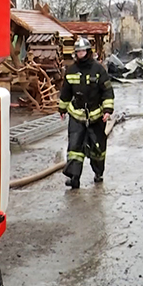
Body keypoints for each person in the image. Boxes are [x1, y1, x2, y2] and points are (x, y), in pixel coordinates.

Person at [58, 37, 114, 189]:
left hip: (96, 116)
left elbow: (107, 91)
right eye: (78, 51)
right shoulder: (71, 70)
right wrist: (62, 109)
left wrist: (107, 110)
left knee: (97, 149)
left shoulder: (98, 69)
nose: (80, 53)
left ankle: (98, 173)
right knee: (74, 148)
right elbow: (65, 92)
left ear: (88, 52)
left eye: (83, 51)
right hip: (77, 115)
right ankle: (74, 178)